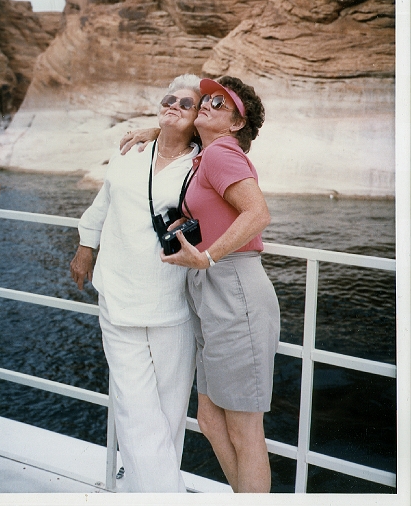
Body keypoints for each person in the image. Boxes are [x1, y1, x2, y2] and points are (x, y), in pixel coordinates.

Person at [121, 76, 280, 493]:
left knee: (246, 432)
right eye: (206, 98)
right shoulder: (205, 156)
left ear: (235, 125)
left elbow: (257, 214)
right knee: (210, 421)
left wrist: (208, 256)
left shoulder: (222, 154)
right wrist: (154, 130)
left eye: (221, 104)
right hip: (214, 293)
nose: (208, 104)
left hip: (235, 291)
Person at [70, 74, 202, 493]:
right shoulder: (132, 152)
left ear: (199, 118)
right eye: (169, 99)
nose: (175, 105)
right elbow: (102, 203)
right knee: (134, 409)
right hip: (119, 296)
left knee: (168, 413)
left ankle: (143, 492)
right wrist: (86, 246)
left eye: (187, 103)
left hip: (173, 305)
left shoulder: (203, 163)